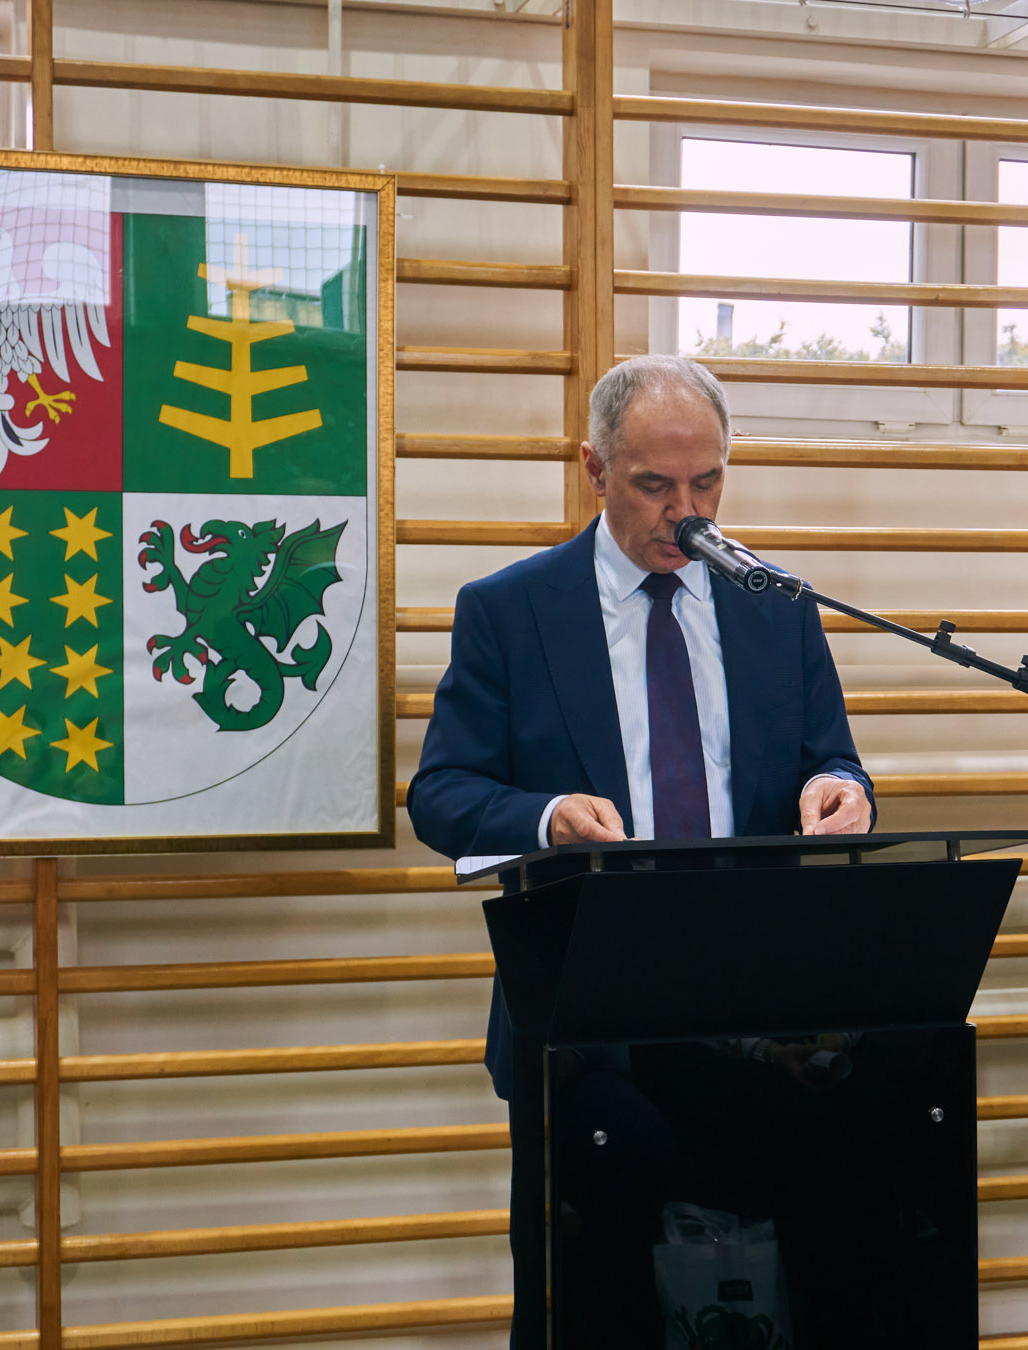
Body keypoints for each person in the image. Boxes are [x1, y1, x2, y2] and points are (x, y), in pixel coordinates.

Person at [407, 354, 874, 1344]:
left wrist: (843, 791)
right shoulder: (511, 610)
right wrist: (546, 817)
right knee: (595, 1306)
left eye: (707, 483)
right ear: (595, 468)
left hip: (761, 1017)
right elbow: (440, 795)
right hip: (586, 1029)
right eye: (655, 485)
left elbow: (831, 759)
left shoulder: (775, 605)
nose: (685, 514)